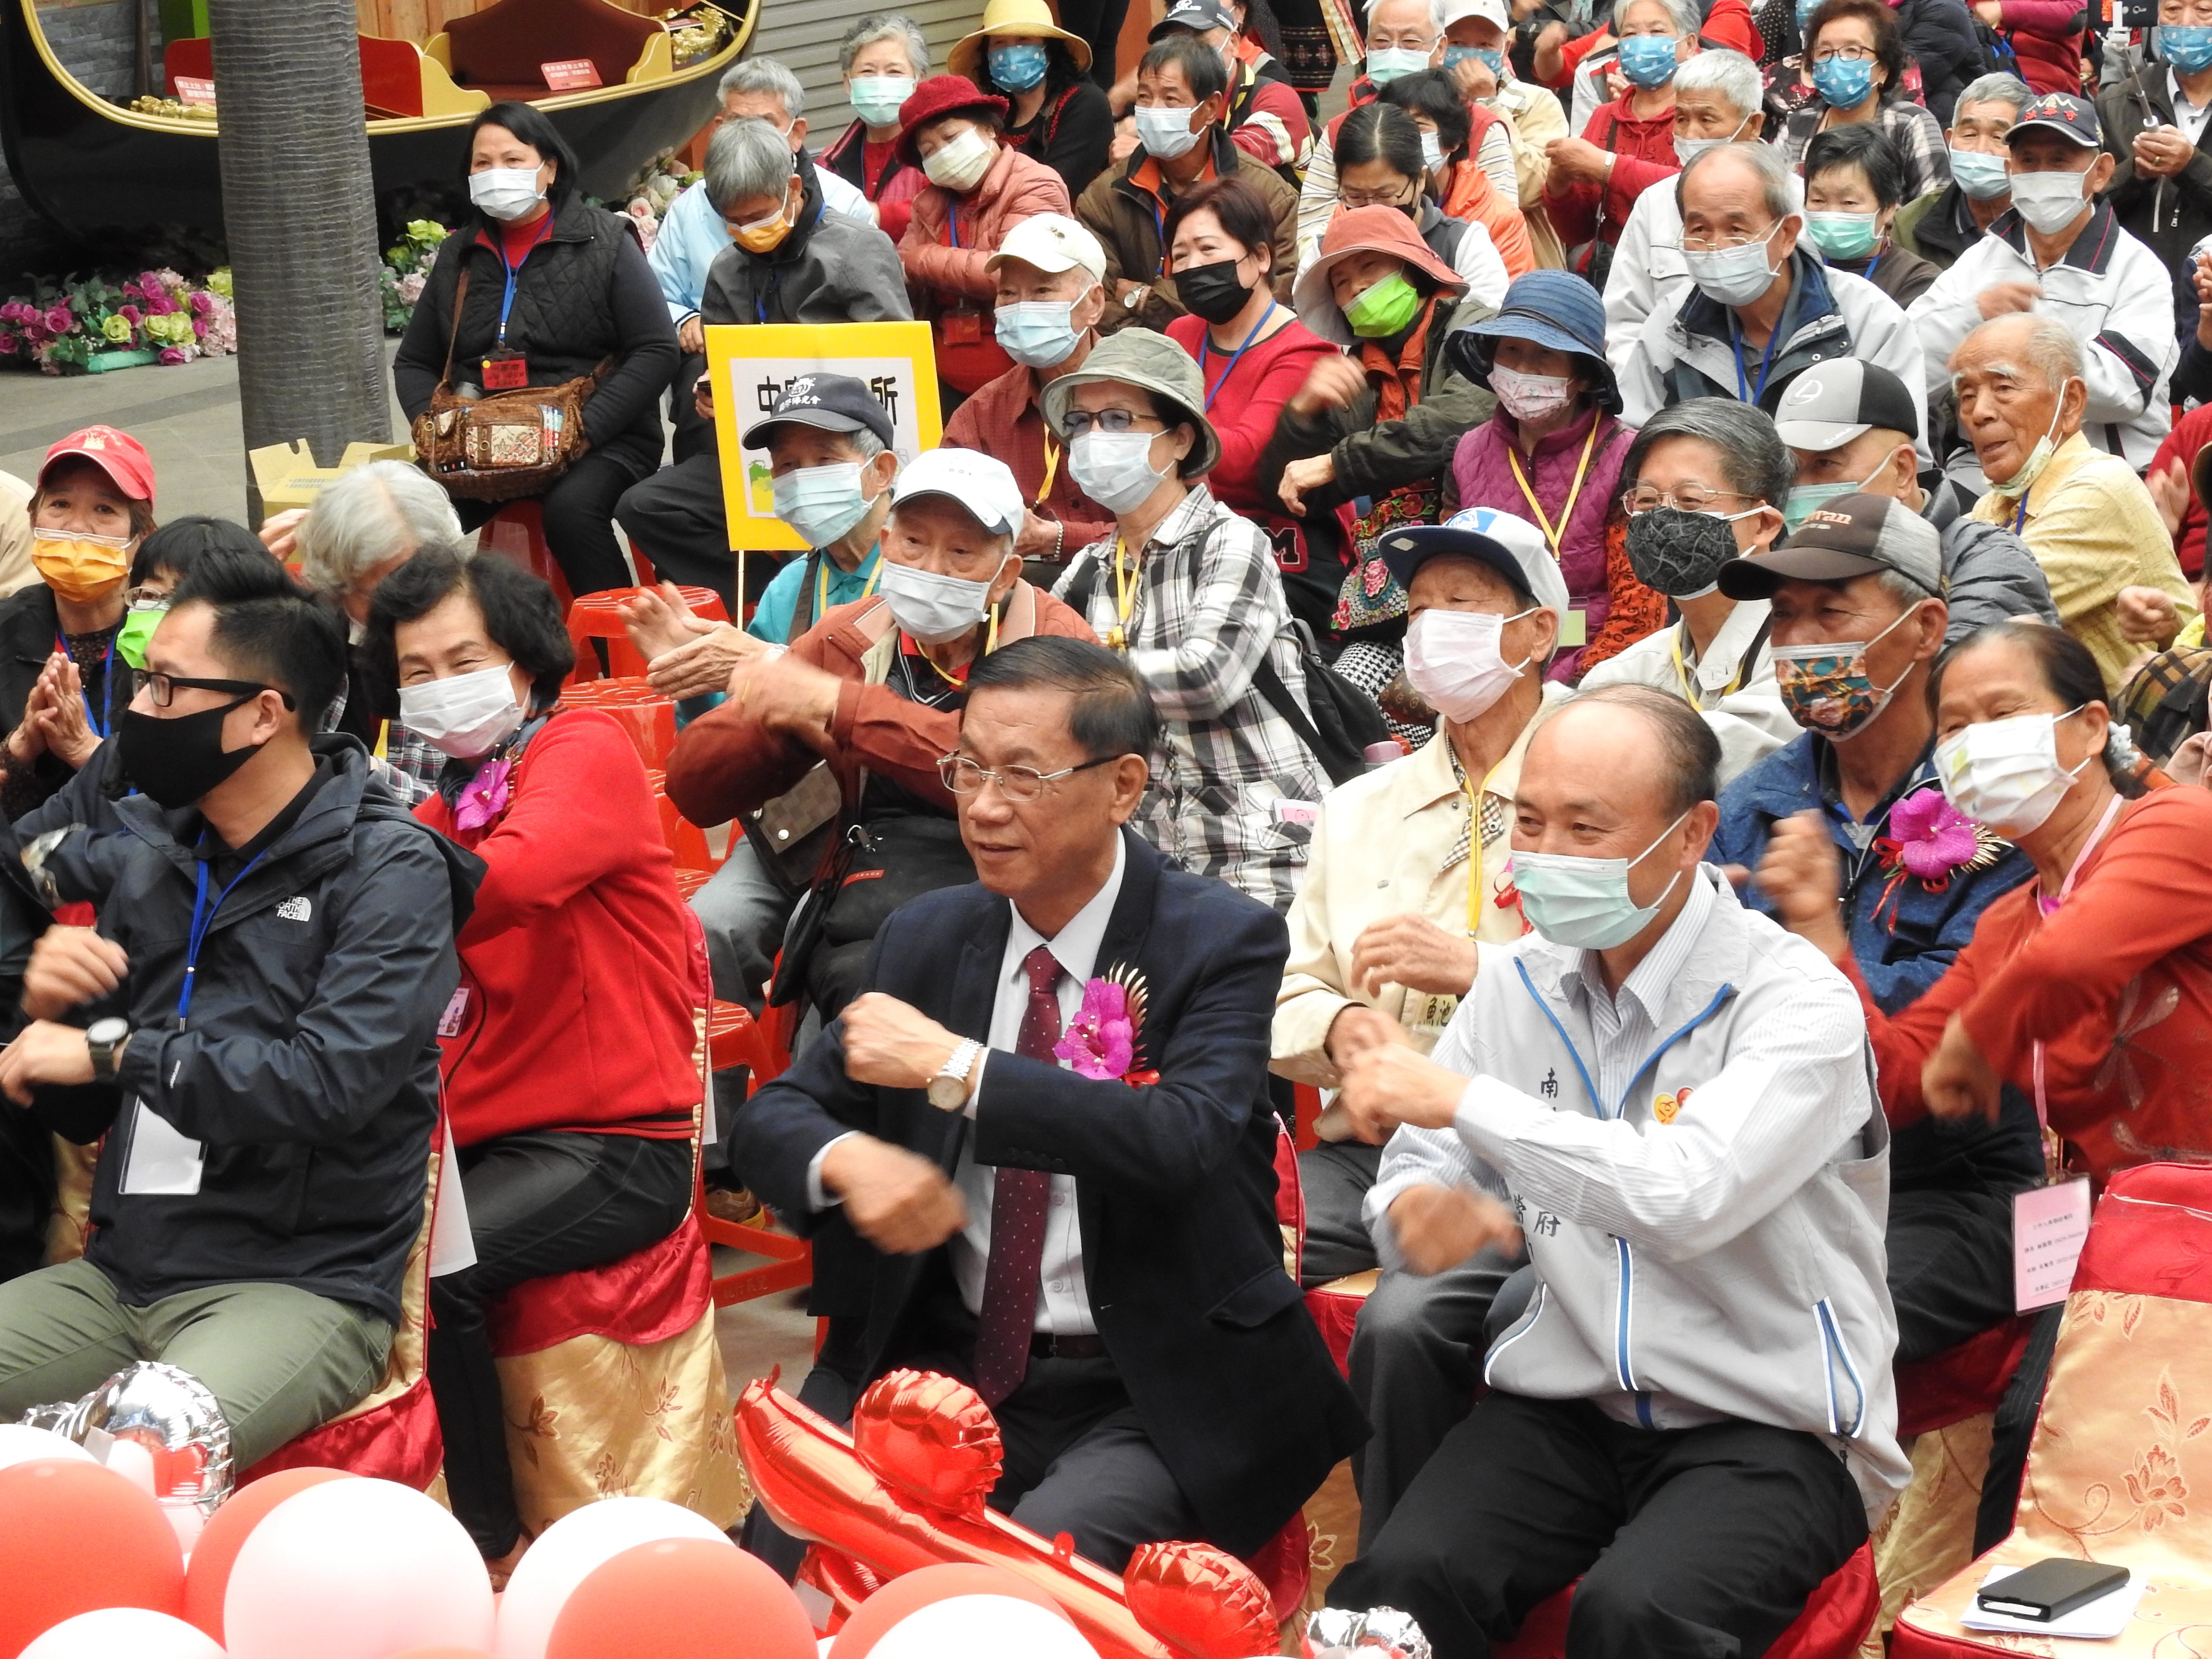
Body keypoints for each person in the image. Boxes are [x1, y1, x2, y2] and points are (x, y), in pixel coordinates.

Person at [729, 636, 1365, 1572]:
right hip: (938, 1365)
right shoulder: (931, 933)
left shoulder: (1219, 938)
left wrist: (960, 1068)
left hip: (1147, 1384)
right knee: (770, 1559)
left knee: (1019, 1585)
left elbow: (1183, 1137)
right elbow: (774, 1120)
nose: (983, 808)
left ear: (1122, 786)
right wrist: (845, 1159)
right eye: (969, 768)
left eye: (1023, 777)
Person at [1322, 683, 1904, 1659]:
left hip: (1770, 1421)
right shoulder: (1519, 981)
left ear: (1691, 835)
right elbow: (1424, 1161)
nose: (1543, 856)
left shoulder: (1793, 1001)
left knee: (1636, 1619)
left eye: (1586, 829)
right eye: (1530, 821)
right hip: (1569, 1398)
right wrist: (1417, 1206)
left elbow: (1682, 1194)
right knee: (1396, 1595)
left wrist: (1465, 1102)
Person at [0, 550, 479, 1471]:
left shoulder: (390, 868)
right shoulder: (151, 853)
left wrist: (111, 1052)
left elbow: (327, 1083)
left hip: (297, 1284)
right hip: (123, 1276)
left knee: (148, 1450)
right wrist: (57, 1013)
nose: (137, 711)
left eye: (168, 689)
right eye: (142, 683)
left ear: (265, 713)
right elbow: (95, 1101)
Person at [1828, 618, 2212, 1546]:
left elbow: (2069, 966)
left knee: (2054, 1455)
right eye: (1952, 730)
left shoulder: (2177, 824)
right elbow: (1901, 1081)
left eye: (2002, 712)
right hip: (2119, 1247)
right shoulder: (2007, 918)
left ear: (2088, 727)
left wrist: (1975, 1040)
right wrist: (1817, 941)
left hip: (2186, 1229)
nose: (1971, 745)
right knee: (2031, 1453)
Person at [365, 548, 698, 1573]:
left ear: (524, 661)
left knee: (438, 1271)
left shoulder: (580, 745)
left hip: (612, 1141)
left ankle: (484, 1541)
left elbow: (511, 879)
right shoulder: (447, 805)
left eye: (460, 658)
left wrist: (356, 854)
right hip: (490, 1145)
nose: (436, 685)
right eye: (413, 671)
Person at [1272, 507, 1560, 1542]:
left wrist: (1479, 966)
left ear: (1535, 633)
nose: (1432, 627)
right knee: (1205, 1239)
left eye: (1465, 605)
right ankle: (1249, 1531)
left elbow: (1645, 969)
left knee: (1407, 1316)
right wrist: (1347, 1028)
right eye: (1422, 605)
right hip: (1377, 1141)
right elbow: (1292, 983)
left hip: (1545, 1139)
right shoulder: (1364, 807)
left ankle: (1404, 1572)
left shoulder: (1594, 779)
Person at [1708, 495, 2046, 1369]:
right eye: (1782, 618)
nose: (1798, 642)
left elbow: (1928, 1050)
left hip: (1948, 1183)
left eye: (1831, 611)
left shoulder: (1996, 803)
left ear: (1924, 625)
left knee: (1814, 1338)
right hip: (1764, 1169)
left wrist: (1810, 936)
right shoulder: (1752, 802)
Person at [1046, 329, 1326, 913]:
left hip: (1262, 850)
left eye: (1119, 419)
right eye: (1080, 423)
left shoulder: (1232, 540)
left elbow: (1207, 678)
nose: (1094, 439)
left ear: (1180, 439)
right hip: (1144, 864)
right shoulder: (1087, 569)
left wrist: (1073, 681)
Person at [614, 119, 911, 615]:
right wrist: (714, 390)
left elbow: (894, 365)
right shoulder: (728, 270)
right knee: (646, 506)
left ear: (793, 188)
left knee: (825, 508)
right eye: (733, 221)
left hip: (844, 451)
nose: (749, 230)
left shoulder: (856, 250)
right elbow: (721, 363)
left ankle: (816, 594)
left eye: (759, 215)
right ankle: (771, 598)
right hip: (762, 453)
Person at [392, 103, 677, 598]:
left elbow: (656, 348)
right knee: (402, 517)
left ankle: (621, 656)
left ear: (549, 168)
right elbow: (415, 361)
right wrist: (435, 430)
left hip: (603, 439)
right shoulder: (459, 254)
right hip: (482, 439)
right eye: (483, 163)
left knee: (571, 513)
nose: (496, 173)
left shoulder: (606, 241)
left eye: (513, 160)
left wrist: (588, 428)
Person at [1908, 93, 2176, 473]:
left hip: (2103, 470)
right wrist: (1972, 317)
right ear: (2010, 170)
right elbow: (1910, 367)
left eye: (2060, 161)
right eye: (2028, 161)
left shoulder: (2137, 270)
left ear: (2100, 172)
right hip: (1990, 468)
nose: (2042, 174)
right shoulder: (1982, 261)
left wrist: (2015, 346)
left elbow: (2123, 392)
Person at [1261, 207, 1493, 641]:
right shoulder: (1356, 373)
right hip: (1393, 578)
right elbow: (1293, 492)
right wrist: (1303, 414)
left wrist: (1337, 462)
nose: (1358, 288)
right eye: (1341, 283)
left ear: (1411, 267)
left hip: (1480, 551)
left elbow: (1459, 420)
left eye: (1369, 267)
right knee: (1353, 688)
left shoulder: (1473, 327)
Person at [1618, 142, 1927, 460]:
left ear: (1787, 235)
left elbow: (1901, 463)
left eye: (1736, 231)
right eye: (1699, 230)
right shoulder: (1674, 320)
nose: (1715, 246)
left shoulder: (1869, 320)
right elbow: (1633, 442)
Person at [625, 377, 900, 731]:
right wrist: (694, 677)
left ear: (882, 471)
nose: (804, 479)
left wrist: (770, 663)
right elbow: (743, 725)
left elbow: (920, 718)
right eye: (788, 465)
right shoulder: (791, 586)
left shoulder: (922, 574)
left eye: (826, 459)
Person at [648, 59, 878, 465]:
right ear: (718, 128)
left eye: (766, 122)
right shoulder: (691, 209)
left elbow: (887, 342)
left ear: (796, 133)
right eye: (738, 123)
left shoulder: (846, 210)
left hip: (827, 373)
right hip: (727, 361)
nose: (751, 136)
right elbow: (657, 294)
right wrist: (685, 321)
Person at [1951, 315, 2196, 692]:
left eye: (2003, 387)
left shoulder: (2100, 487)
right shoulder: (1993, 505)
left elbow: (1973, 615)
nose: (1979, 413)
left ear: (2072, 403)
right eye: (1966, 396)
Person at [1443, 269, 1664, 681]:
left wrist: (1574, 689)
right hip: (1492, 665)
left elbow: (1638, 609)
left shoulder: (1627, 457)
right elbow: (1453, 588)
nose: (1524, 369)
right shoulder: (1467, 454)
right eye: (1510, 350)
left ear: (1582, 373)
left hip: (1598, 667)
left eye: (1545, 354)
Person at [1577, 398, 1799, 778]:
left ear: (1763, 524)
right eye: (1647, 501)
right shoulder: (1624, 675)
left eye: (1690, 501)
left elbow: (1719, 758)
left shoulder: (1804, 652)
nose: (1663, 519)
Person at [1773, 359, 2056, 635]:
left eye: (1825, 464)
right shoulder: (1778, 564)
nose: (1802, 487)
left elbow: (1952, 677)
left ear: (1903, 471)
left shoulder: (1986, 560)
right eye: (1792, 470)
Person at [264, 459, 466, 806]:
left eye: (418, 583)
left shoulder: (472, 642)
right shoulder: (307, 633)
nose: (403, 607)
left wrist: (355, 771)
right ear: (338, 586)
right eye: (379, 594)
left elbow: (463, 806)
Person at [1076, 36, 1300, 335]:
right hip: (1139, 366)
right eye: (1144, 97)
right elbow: (1098, 305)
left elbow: (1270, 297)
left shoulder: (1268, 193)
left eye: (1170, 99)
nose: (1154, 111)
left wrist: (1143, 298)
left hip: (1237, 354)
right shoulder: (1104, 196)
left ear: (1210, 108)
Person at [1161, 177, 1335, 537]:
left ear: (1260, 257)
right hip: (1184, 524)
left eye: (1208, 249)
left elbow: (1243, 461)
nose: (1193, 266)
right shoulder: (1180, 333)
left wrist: (1154, 436)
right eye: (1180, 256)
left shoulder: (1304, 350)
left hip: (1277, 539)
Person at [942, 215, 1118, 568]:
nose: (1022, 306)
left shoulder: (1147, 397)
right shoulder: (980, 416)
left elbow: (1181, 525)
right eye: (1008, 293)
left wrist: (1058, 540)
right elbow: (952, 529)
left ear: (1094, 304)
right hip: (1020, 599)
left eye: (1042, 291)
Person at [0, 426, 156, 822]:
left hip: (144, 871)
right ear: (34, 519)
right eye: (61, 505)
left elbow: (192, 792)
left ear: (142, 536)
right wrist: (19, 749)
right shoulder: (6, 629)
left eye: (104, 510)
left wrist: (87, 750)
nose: (75, 528)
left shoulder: (168, 641)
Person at [1292, 0, 1520, 267]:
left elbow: (1502, 232)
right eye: (1381, 41)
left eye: (1411, 42)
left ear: (1441, 49)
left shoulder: (1482, 128)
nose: (1394, 52)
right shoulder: (1340, 130)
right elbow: (1312, 233)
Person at [1599, 49, 1783, 373]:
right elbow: (1623, 319)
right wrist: (1653, 395)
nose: (1690, 134)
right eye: (1681, 119)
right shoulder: (1656, 203)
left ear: (1753, 125)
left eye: (1706, 119)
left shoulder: (1792, 199)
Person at [896, 77, 1073, 400]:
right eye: (929, 150)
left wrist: (923, 259)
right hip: (941, 383)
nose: (943, 153)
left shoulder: (1035, 184)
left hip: (1027, 378)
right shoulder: (928, 203)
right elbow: (899, 275)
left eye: (951, 137)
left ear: (989, 129)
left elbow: (1011, 273)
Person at [1540, 0, 1697, 278]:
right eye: (1630, 34)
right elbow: (1578, 231)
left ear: (1689, 45)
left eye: (1657, 31)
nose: (1641, 43)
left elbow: (1692, 189)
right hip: (1612, 273)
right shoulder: (1605, 117)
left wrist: (1606, 166)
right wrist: (1559, 185)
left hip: (1681, 271)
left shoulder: (1699, 115)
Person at [1310, 102, 1513, 306]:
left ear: (1420, 179)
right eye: (1355, 197)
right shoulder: (1323, 254)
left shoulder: (1463, 245)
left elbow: (1484, 327)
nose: (1371, 210)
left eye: (1385, 196)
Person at [2099, 0, 2212, 336]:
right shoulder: (2117, 102)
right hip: (2134, 306)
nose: (2187, 24)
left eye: (2204, 11)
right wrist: (2135, 173)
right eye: (2173, 10)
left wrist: (2191, 165)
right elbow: (2089, 205)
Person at [1439, 0, 1571, 268]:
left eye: (1485, 45)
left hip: (1518, 260)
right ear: (1441, 47)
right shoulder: (1420, 106)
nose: (1471, 56)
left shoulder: (1537, 102)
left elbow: (1527, 189)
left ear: (1505, 49)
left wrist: (1487, 103)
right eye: (1459, 43)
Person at [1780, 0, 1952, 202]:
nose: (1836, 62)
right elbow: (1774, 202)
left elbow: (1933, 211)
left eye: (1853, 51)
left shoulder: (1910, 124)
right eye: (1825, 52)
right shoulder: (1797, 126)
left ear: (1883, 70)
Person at [1378, 70, 1537, 283]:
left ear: (1453, 142)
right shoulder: (1358, 204)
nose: (1402, 139)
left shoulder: (1499, 219)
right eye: (1393, 126)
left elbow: (1509, 305)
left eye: (1418, 126)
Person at [950, 0, 1115, 202]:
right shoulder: (994, 119)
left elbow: (1052, 191)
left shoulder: (1085, 105)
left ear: (1049, 49)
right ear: (987, 57)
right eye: (999, 43)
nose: (1011, 54)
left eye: (1024, 40)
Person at [1149, 0, 1314, 181]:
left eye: (1200, 44)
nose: (1187, 58)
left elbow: (1227, 163)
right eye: (1175, 45)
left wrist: (1147, 154)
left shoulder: (1277, 98)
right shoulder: (1162, 97)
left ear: (1234, 43)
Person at [1892, 73, 2031, 271]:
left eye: (1999, 137)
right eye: (1969, 134)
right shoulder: (1911, 222)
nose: (1981, 149)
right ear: (1949, 140)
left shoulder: (2044, 220)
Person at [816, 13, 934, 243]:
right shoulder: (828, 163)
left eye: (894, 72)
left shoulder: (940, 149)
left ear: (919, 81)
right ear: (848, 83)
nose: (880, 81)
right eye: (868, 71)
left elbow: (951, 210)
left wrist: (877, 215)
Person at [1801, 124, 1942, 310]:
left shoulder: (1917, 281)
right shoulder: (1796, 269)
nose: (1831, 214)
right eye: (1818, 200)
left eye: (1849, 202)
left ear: (1889, 208)